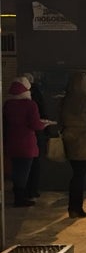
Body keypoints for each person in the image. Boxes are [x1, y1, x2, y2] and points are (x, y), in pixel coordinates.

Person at [3, 77, 54, 207]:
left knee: (16, 171)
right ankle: (20, 198)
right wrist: (44, 125)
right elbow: (35, 125)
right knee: (24, 172)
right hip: (26, 144)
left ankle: (17, 195)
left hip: (11, 143)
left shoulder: (8, 104)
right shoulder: (30, 105)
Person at [60, 71, 86, 219]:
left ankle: (72, 207)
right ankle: (77, 208)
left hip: (69, 140)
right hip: (84, 142)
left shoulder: (65, 101)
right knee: (79, 177)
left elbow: (61, 120)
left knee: (75, 176)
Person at [23, 72, 47, 200]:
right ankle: (32, 190)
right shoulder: (34, 98)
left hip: (14, 142)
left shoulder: (9, 102)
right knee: (34, 164)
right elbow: (40, 114)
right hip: (33, 137)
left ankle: (22, 192)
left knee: (20, 168)